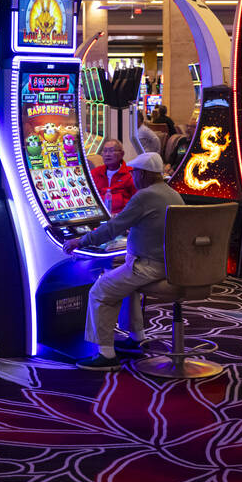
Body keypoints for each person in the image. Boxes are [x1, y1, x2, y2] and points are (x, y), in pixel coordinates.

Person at [63, 152, 185, 371]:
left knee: (100, 290)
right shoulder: (172, 193)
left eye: (135, 172)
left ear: (145, 174)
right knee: (126, 283)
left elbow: (113, 227)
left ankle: (106, 354)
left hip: (148, 266)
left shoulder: (145, 195)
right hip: (169, 264)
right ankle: (137, 336)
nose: (133, 176)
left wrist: (81, 240)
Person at [91, 139, 136, 215]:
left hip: (122, 218)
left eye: (112, 151)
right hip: (98, 215)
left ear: (122, 154)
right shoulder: (94, 173)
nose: (107, 154)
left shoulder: (131, 174)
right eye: (105, 151)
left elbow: (136, 203)